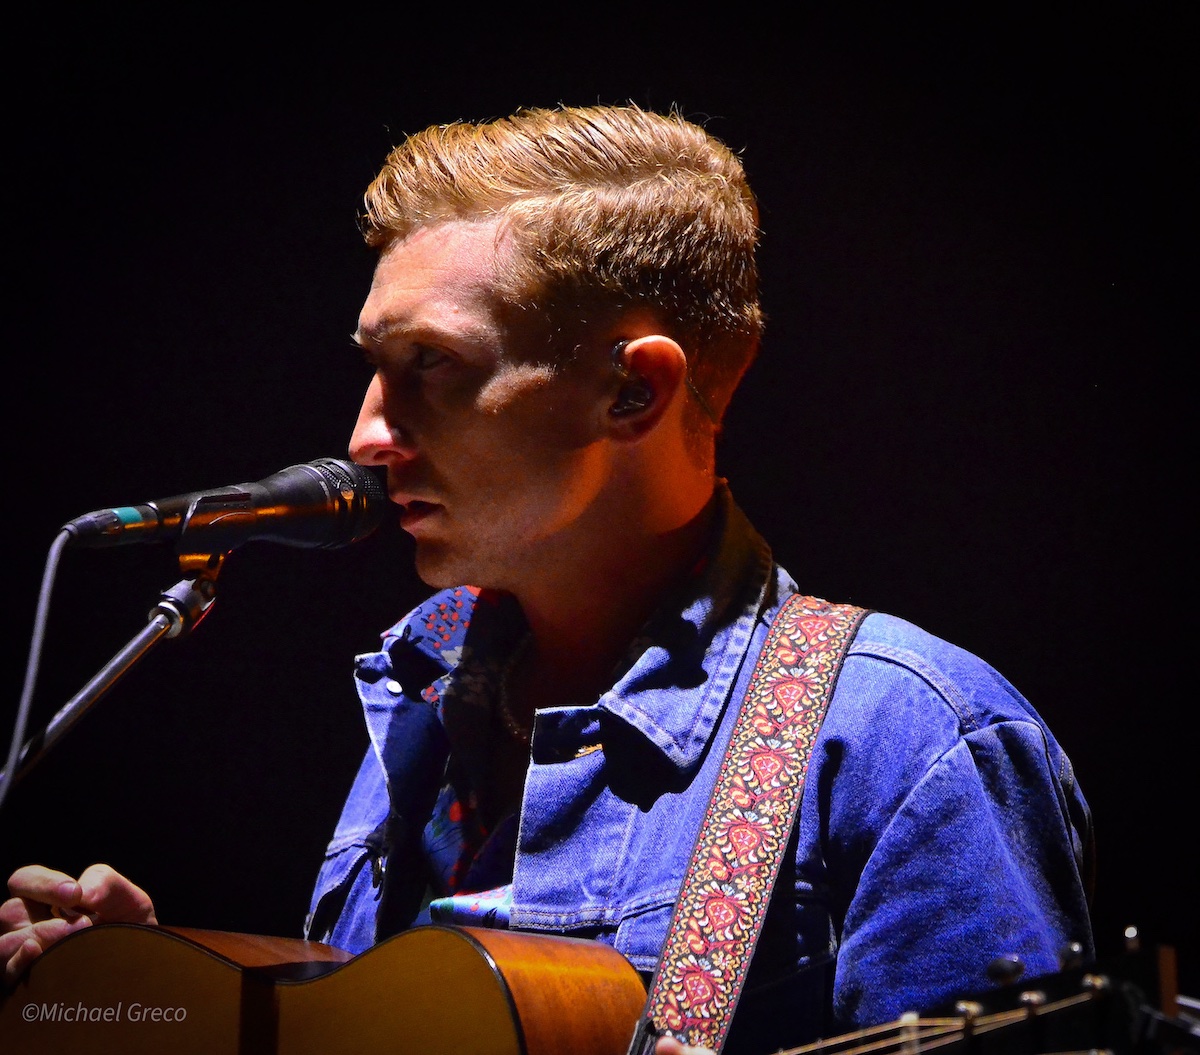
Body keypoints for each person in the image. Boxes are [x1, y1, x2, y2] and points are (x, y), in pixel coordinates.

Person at [1, 103, 1094, 1054]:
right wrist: (170, 999)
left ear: (634, 391)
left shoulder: (911, 740)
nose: (365, 434)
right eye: (372, 366)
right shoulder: (424, 703)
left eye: (430, 362)